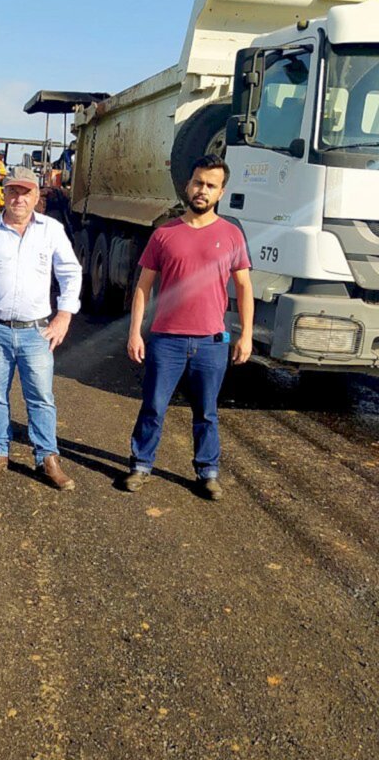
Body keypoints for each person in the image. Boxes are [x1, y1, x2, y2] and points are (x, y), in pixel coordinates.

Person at [124, 153, 254, 501]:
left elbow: (244, 288)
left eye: (211, 186)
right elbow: (142, 287)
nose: (202, 190)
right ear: (188, 184)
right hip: (166, 339)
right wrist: (136, 331)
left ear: (221, 192)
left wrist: (247, 335)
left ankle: (207, 472)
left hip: (212, 342)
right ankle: (141, 465)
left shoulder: (231, 235)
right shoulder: (165, 234)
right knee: (153, 405)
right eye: (198, 182)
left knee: (207, 413)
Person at [0, 166, 82, 490]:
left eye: (25, 192)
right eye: (13, 190)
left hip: (36, 332)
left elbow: (71, 273)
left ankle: (47, 457)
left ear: (36, 196)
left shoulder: (51, 231)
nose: (18, 198)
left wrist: (64, 316)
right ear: (4, 193)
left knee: (41, 397)